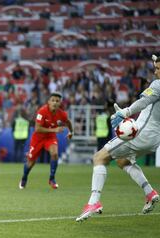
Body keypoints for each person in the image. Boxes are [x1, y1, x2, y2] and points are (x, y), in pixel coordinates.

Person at [76, 56, 160, 222]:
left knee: (99, 157)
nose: (156, 72)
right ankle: (150, 193)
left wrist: (125, 112)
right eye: (155, 68)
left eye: (158, 68)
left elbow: (144, 102)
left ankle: (94, 202)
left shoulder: (158, 84)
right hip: (155, 139)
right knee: (122, 161)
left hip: (140, 133)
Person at [19, 92, 73, 190]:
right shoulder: (42, 111)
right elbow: (37, 129)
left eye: (57, 101)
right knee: (31, 162)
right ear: (48, 102)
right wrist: (55, 130)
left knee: (54, 153)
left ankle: (52, 179)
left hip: (50, 137)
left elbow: (68, 122)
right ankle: (24, 177)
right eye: (53, 100)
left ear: (60, 103)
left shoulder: (62, 114)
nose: (55, 103)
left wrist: (71, 132)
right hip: (38, 138)